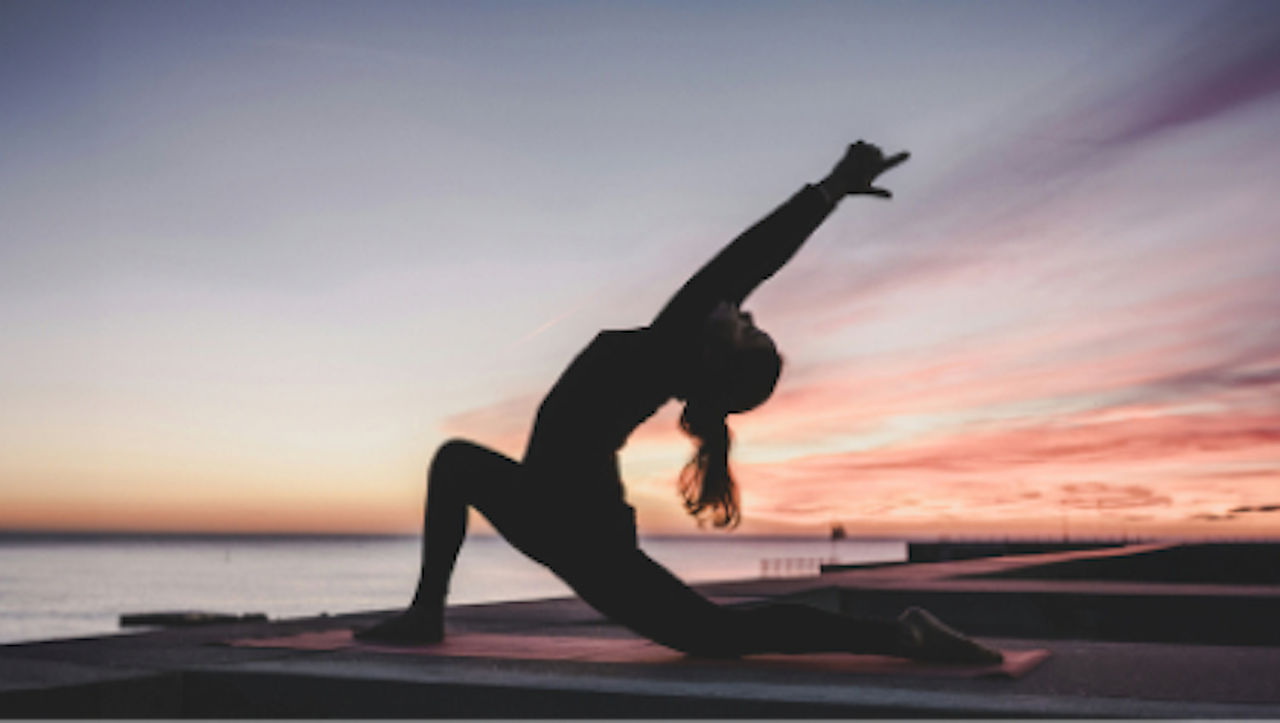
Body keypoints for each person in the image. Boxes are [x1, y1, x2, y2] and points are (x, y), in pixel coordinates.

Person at [358, 141, 1002, 663]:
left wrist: (829, 191)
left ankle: (901, 636)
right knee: (456, 463)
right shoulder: (666, 357)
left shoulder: (672, 348)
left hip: (576, 527)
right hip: (558, 510)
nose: (743, 311)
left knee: (714, 637)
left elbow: (745, 261)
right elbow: (739, 276)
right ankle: (427, 614)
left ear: (716, 362)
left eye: (748, 328)